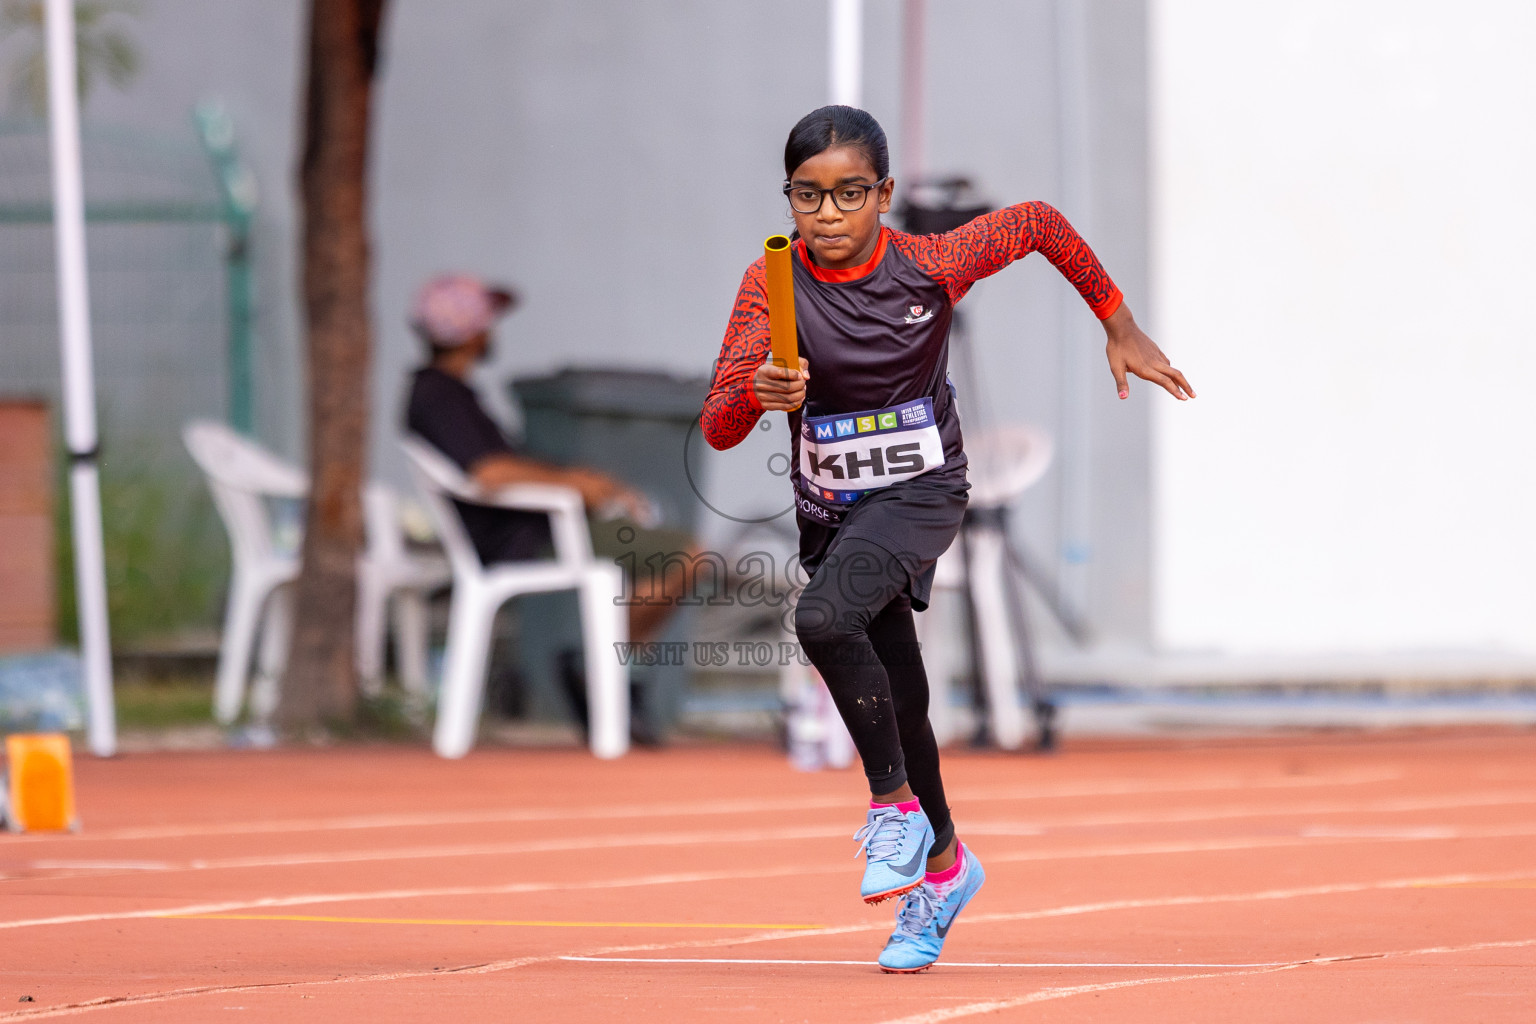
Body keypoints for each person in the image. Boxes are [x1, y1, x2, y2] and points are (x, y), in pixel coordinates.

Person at [701, 106, 1193, 973]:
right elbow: (718, 426)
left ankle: (892, 808)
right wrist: (762, 395)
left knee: (820, 622)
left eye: (849, 193)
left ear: (883, 195)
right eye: (806, 196)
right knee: (902, 697)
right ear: (789, 201)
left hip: (922, 488)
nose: (827, 213)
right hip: (831, 509)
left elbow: (1040, 224)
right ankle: (944, 869)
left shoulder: (932, 265)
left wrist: (1116, 321)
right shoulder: (768, 285)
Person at [404, 274, 697, 741]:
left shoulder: (448, 392)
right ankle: (599, 670)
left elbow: (498, 465)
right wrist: (570, 484)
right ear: (470, 333)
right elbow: (488, 474)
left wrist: (578, 482)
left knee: (673, 556)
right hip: (524, 540)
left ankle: (602, 671)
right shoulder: (440, 395)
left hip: (535, 530)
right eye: (486, 321)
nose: (491, 331)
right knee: (687, 556)